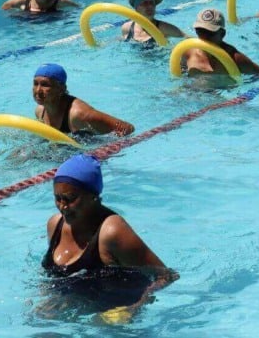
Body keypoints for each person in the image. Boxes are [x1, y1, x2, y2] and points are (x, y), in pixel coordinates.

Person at [43, 153, 176, 321]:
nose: (62, 206)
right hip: (76, 310)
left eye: (70, 199)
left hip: (111, 316)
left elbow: (167, 276)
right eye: (57, 198)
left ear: (93, 196)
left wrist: (134, 308)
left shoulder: (112, 231)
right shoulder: (55, 225)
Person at [33, 64, 134, 136]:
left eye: (45, 85)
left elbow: (127, 128)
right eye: (35, 83)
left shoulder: (78, 114)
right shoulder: (40, 111)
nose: (38, 90)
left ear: (62, 88)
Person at [184, 9, 259, 76]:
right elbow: (181, 74)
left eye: (210, 33)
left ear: (222, 34)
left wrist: (244, 96)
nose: (204, 37)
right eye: (200, 31)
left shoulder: (235, 59)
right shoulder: (188, 51)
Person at [120, 0, 185, 45]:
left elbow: (188, 39)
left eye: (151, 3)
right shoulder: (127, 28)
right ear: (136, 8)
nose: (149, 6)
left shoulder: (164, 28)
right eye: (144, 3)